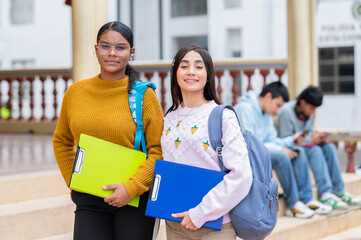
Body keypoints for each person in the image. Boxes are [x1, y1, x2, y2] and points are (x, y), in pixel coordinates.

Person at [53, 21, 163, 240]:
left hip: (135, 199)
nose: (112, 53)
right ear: (95, 49)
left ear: (131, 53)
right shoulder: (75, 93)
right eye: (105, 46)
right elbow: (61, 141)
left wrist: (131, 188)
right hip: (89, 198)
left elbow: (158, 151)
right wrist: (74, 179)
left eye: (120, 47)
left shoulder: (145, 96)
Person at [161, 43, 252, 239]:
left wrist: (200, 213)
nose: (190, 72)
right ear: (175, 73)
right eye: (184, 66)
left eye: (198, 66)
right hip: (174, 223)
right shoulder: (168, 119)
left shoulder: (222, 116)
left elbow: (242, 175)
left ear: (208, 74)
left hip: (214, 225)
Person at [233, 82, 332, 218]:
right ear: (268, 96)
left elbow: (272, 140)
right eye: (278, 105)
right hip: (247, 155)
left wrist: (291, 141)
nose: (277, 111)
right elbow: (251, 145)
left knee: (298, 151)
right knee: (281, 156)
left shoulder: (266, 114)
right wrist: (281, 149)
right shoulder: (245, 109)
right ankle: (293, 203)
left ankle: (307, 199)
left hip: (263, 153)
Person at [275, 85, 361, 209]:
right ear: (302, 102)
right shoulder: (286, 112)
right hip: (291, 148)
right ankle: (325, 192)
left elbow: (309, 133)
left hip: (306, 145)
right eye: (311, 108)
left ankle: (339, 190)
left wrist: (318, 138)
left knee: (329, 147)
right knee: (315, 151)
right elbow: (286, 139)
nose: (313, 112)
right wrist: (311, 139)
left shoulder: (310, 113)